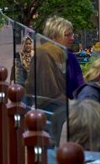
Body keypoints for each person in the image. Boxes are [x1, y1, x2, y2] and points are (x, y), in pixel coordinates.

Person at [25, 16, 84, 146]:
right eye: (68, 35)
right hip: (48, 107)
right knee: (48, 145)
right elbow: (48, 91)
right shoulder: (44, 54)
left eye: (72, 34)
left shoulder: (69, 56)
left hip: (58, 107)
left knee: (50, 145)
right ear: (55, 36)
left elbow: (79, 85)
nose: (72, 38)